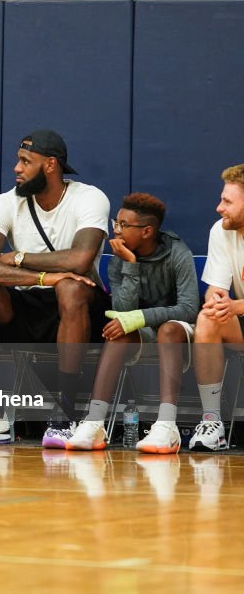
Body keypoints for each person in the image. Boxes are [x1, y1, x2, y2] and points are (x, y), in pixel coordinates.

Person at [0, 130, 109, 447]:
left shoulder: (89, 198)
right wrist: (43, 278)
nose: (17, 167)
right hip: (26, 305)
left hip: (80, 310)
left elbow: (80, 260)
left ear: (50, 165)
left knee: (70, 288)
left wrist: (19, 258)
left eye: (26, 161)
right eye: (18, 160)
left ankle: (65, 413)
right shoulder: (6, 202)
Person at [65, 193, 198, 453]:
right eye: (117, 222)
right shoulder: (120, 260)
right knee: (117, 332)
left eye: (124, 225)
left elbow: (189, 309)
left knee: (169, 329)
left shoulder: (177, 252)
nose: (116, 230)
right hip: (145, 331)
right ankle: (94, 423)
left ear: (147, 231)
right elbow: (122, 312)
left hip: (181, 331)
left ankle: (167, 426)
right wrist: (130, 265)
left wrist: (140, 318)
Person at [188, 164, 244, 452]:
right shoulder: (221, 230)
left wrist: (235, 306)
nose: (219, 208)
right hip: (240, 318)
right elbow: (216, 287)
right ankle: (212, 423)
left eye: (228, 201)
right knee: (208, 316)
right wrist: (218, 301)